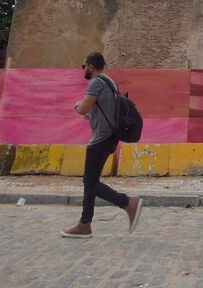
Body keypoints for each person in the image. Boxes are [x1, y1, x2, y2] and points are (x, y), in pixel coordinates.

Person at [61, 52, 142, 238]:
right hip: (110, 136)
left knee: (89, 182)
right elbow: (102, 111)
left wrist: (77, 106)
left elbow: (83, 108)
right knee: (91, 181)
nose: (84, 70)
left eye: (84, 66)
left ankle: (128, 203)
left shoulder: (96, 82)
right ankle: (84, 224)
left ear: (90, 66)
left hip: (101, 138)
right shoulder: (110, 82)